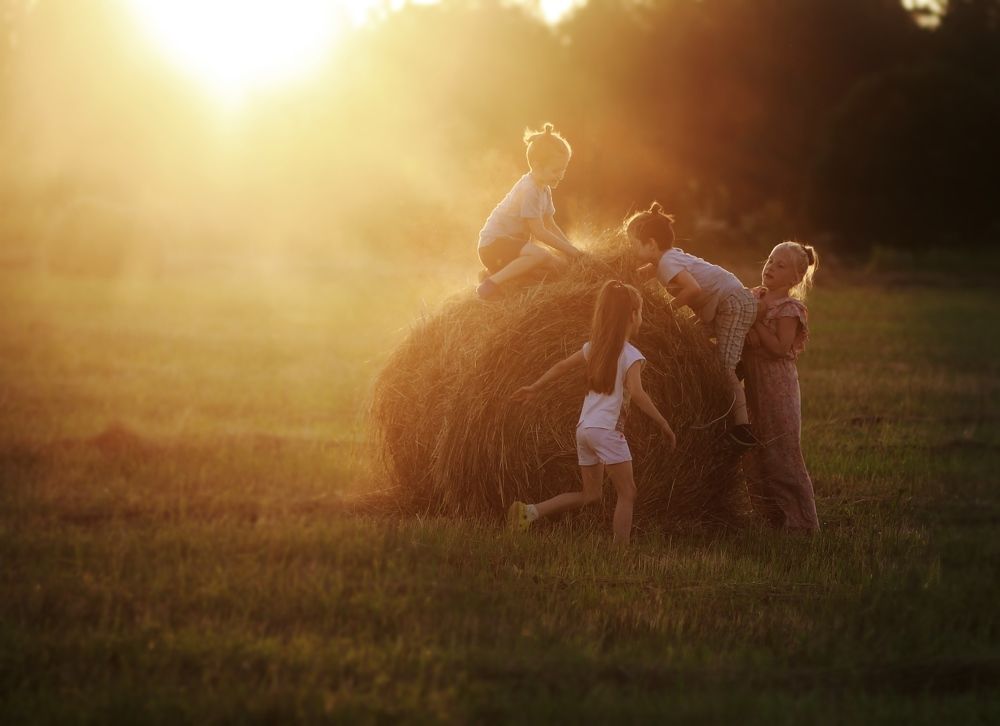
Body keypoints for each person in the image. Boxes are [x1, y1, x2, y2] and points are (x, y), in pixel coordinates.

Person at [508, 280, 676, 545]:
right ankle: (620, 553)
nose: (641, 317)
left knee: (591, 494)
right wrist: (663, 422)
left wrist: (535, 387)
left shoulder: (594, 348)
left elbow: (562, 366)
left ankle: (530, 512)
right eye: (640, 311)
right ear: (632, 316)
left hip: (584, 429)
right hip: (606, 431)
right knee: (628, 492)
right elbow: (638, 392)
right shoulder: (632, 355)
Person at [627, 202, 758, 447]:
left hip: (732, 304)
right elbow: (641, 274)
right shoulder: (664, 260)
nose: (630, 249)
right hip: (721, 304)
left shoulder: (667, 263)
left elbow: (693, 290)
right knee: (687, 336)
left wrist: (668, 310)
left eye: (633, 244)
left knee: (724, 369)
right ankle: (728, 362)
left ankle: (743, 427)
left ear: (651, 244)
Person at [742, 241, 820, 531]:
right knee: (756, 452)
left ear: (795, 279)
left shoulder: (789, 308)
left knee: (782, 453)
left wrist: (757, 322)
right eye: (770, 260)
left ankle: (802, 524)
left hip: (777, 388)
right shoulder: (754, 296)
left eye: (781, 265)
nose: (771, 267)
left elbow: (778, 348)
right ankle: (770, 518)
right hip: (753, 387)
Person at [476, 123, 584, 300]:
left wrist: (571, 251)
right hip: (493, 246)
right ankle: (491, 283)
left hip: (511, 248)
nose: (561, 175)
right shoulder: (529, 189)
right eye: (556, 170)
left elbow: (550, 225)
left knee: (559, 268)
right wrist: (574, 253)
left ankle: (492, 274)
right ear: (536, 165)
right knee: (539, 254)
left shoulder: (544, 188)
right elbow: (539, 231)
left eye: (564, 169)